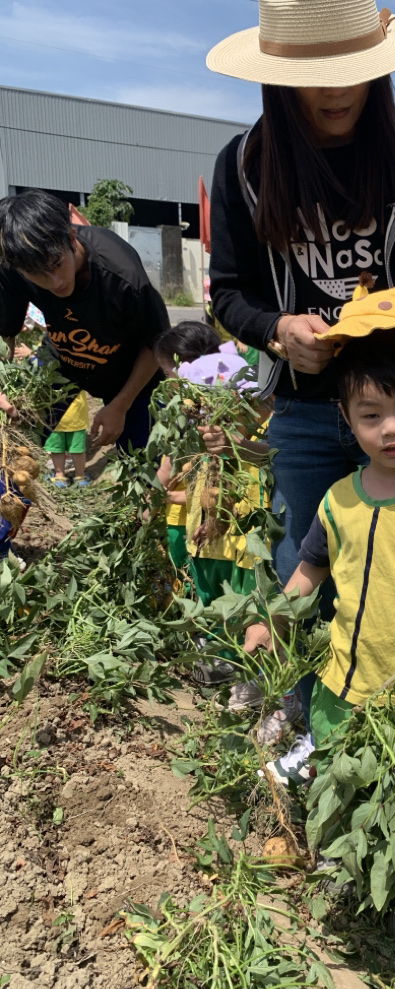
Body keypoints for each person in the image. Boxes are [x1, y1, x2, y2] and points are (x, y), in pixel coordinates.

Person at [207, 0, 395, 730]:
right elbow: (228, 293)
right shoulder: (245, 167)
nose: (335, 91)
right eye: (314, 75)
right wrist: (276, 330)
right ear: (277, 78)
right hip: (303, 411)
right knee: (309, 564)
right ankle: (304, 711)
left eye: (352, 71)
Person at [243, 286, 395, 787]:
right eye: (371, 415)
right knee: (344, 781)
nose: (390, 430)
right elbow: (311, 567)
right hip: (345, 679)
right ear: (346, 416)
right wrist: (275, 619)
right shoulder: (338, 500)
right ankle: (316, 762)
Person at [152, 321, 273, 712]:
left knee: (247, 600)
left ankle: (255, 678)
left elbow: (268, 459)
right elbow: (193, 473)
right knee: (211, 593)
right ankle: (223, 662)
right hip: (207, 531)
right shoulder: (198, 425)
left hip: (244, 531)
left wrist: (235, 445)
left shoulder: (257, 422)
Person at [0, 189, 167, 451]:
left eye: (57, 264)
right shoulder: (15, 265)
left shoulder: (122, 276)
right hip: (60, 360)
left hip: (129, 374)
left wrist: (120, 405)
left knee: (139, 457)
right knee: (14, 438)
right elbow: (5, 333)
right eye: (37, 275)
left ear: (71, 237)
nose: (55, 283)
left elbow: (156, 341)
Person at [44, 390, 90, 488]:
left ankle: (60, 476)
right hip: (75, 416)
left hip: (54, 417)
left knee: (57, 449)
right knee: (77, 448)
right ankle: (80, 476)